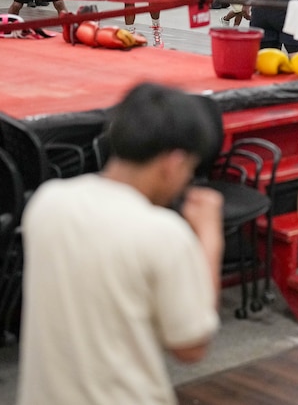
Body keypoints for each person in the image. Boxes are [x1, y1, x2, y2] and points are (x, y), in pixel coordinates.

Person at [17, 83, 224, 405]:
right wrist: (210, 238)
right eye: (189, 169)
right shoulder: (162, 233)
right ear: (173, 163)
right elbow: (191, 345)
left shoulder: (47, 203)